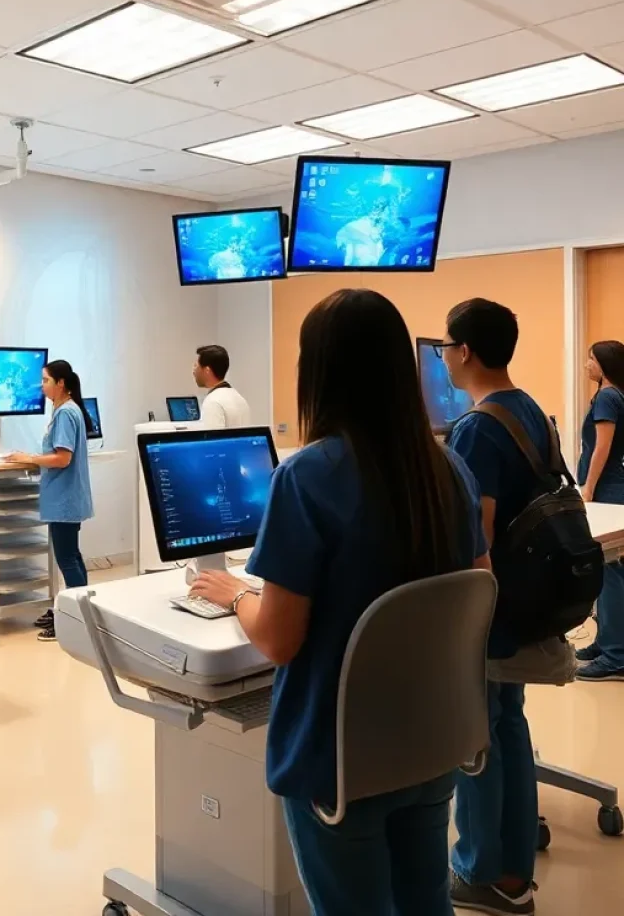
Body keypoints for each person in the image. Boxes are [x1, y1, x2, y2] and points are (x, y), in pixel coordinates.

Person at [191, 288, 489, 916]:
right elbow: (475, 596)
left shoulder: (307, 477)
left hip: (341, 764)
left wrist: (239, 593)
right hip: (432, 742)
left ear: (317, 373)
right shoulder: (449, 470)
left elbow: (277, 640)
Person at [442, 298, 542, 916]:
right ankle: (514, 869)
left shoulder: (476, 427)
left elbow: (473, 536)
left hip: (488, 607)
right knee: (508, 726)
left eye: (446, 347)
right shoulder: (529, 410)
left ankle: (481, 871)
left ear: (466, 351)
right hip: (523, 604)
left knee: (474, 739)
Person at [7, 359, 94, 642]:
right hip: (65, 497)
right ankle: (74, 611)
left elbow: (62, 457)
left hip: (65, 498)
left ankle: (76, 619)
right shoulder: (64, 410)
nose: (41, 385)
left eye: (45, 380)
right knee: (72, 555)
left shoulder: (67, 413)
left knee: (67, 558)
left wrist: (29, 459)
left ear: (61, 384)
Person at [575, 340, 624, 681]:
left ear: (604, 364)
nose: (586, 364)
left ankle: (615, 655)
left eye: (590, 359)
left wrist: (588, 487)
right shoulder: (615, 394)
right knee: (612, 572)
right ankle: (608, 641)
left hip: (607, 490)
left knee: (611, 572)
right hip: (615, 488)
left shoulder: (607, 396)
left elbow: (601, 447)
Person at [193, 344, 251, 428]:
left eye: (196, 366)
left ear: (207, 371)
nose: (194, 371)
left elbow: (212, 439)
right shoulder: (240, 399)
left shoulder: (213, 402)